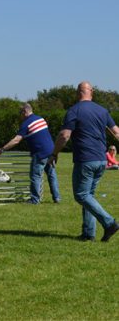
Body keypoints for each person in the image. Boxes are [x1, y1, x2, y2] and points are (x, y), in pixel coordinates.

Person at [48, 81, 119, 242]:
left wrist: (54, 153)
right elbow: (116, 132)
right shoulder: (102, 110)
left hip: (85, 159)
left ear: (78, 92)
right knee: (89, 195)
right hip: (101, 160)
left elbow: (64, 135)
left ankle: (109, 223)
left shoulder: (74, 110)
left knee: (81, 195)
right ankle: (88, 234)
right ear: (91, 92)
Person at [0, 103, 60, 204]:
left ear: (24, 112)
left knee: (35, 176)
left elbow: (16, 140)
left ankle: (34, 200)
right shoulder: (41, 119)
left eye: (20, 113)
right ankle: (57, 198)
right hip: (51, 151)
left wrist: (2, 149)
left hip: (40, 153)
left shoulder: (26, 123)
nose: (20, 116)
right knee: (52, 175)